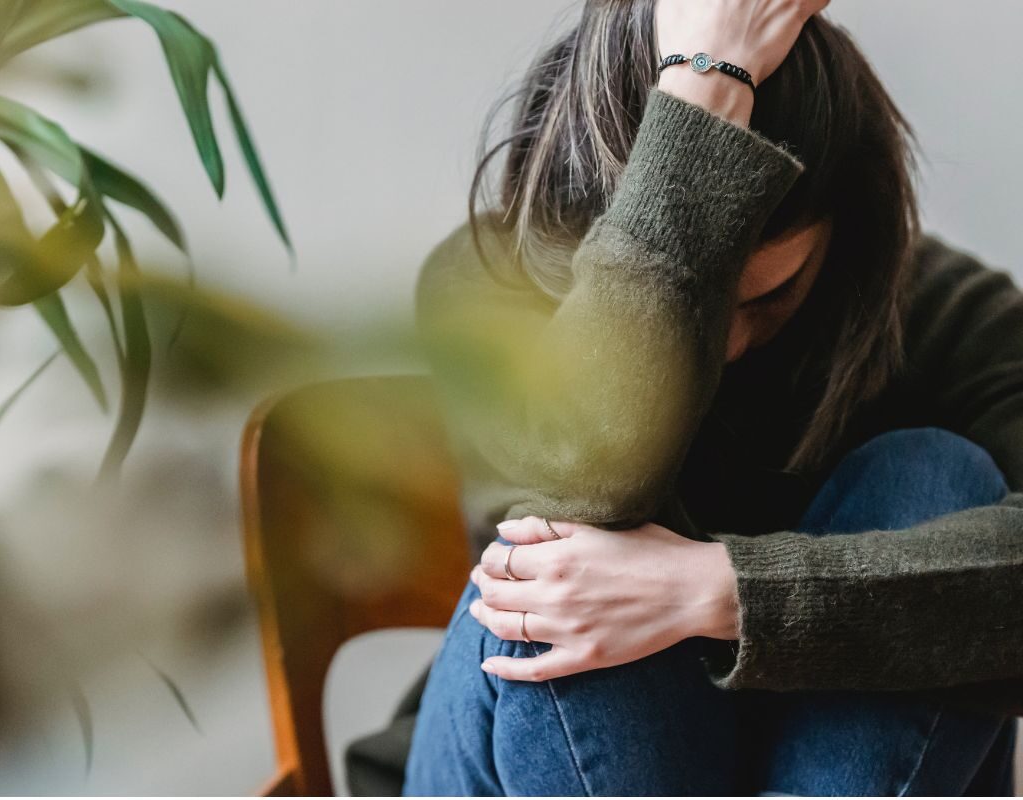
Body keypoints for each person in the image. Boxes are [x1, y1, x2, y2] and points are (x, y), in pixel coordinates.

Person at [346, 0, 1023, 795]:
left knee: (930, 474)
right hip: (533, 757)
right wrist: (706, 94)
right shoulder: (489, 281)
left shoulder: (930, 305)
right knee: (563, 559)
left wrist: (725, 591)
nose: (728, 343)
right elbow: (579, 491)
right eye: (705, 298)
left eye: (765, 301)